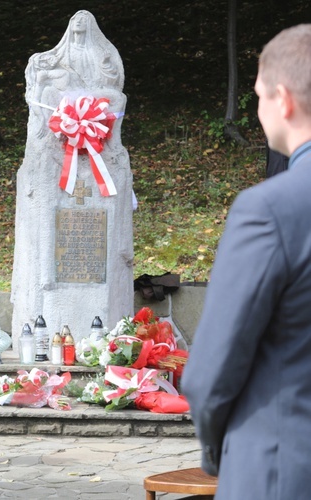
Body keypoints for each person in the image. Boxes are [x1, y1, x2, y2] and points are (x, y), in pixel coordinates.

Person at [182, 24, 311, 500]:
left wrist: (218, 452)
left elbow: (211, 371)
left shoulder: (270, 209)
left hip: (286, 467)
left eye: (258, 95)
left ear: (283, 99)